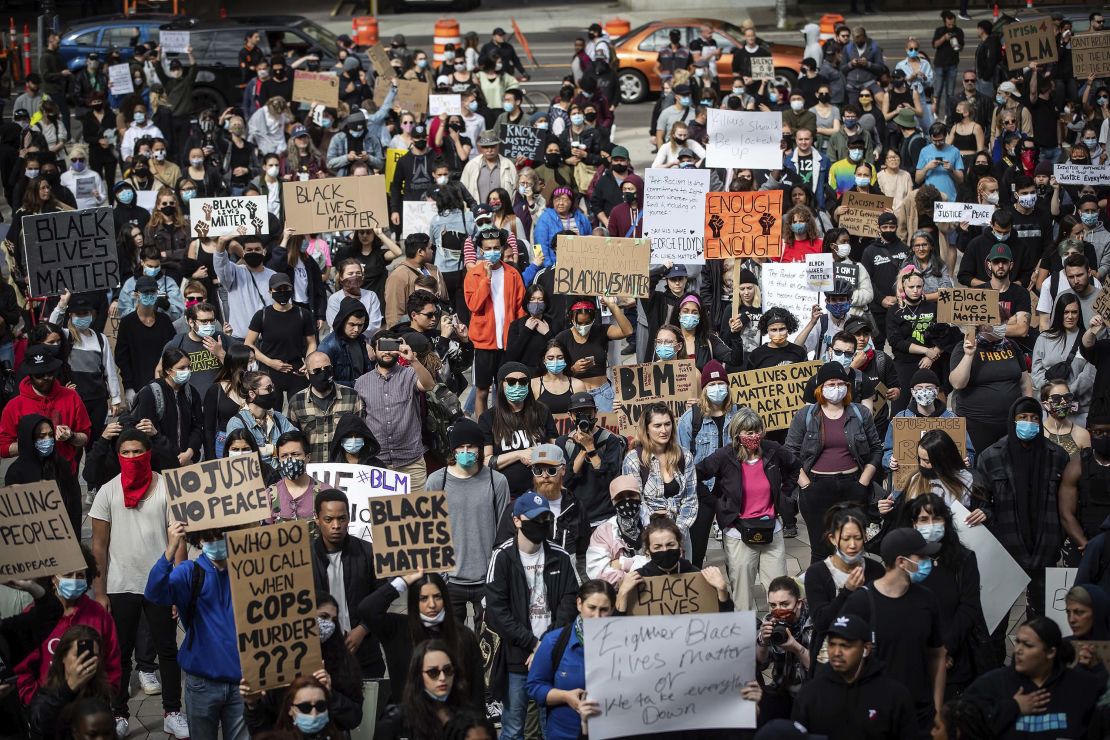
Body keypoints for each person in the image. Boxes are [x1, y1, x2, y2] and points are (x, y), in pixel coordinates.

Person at [88, 429, 187, 738]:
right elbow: (99, 546)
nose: (132, 457)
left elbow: (180, 541)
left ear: (148, 453)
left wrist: (179, 587)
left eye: (137, 452)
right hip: (120, 585)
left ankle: (172, 711)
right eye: (126, 453)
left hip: (160, 584)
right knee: (120, 654)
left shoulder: (167, 487)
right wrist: (100, 591)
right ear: (119, 456)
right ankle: (118, 714)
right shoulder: (107, 491)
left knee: (167, 652)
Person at [484, 492, 579, 740]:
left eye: (546, 517)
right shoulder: (502, 557)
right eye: (536, 518)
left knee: (552, 727)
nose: (542, 523)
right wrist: (533, 644)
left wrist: (546, 646)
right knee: (514, 726)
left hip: (554, 656)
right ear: (517, 520)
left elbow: (569, 604)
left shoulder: (560, 555)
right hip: (518, 656)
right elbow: (497, 611)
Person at [145, 522, 247, 740]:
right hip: (203, 683)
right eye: (210, 538)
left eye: (222, 535)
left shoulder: (247, 571)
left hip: (243, 683)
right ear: (199, 540)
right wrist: (170, 550)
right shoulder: (189, 572)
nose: (217, 542)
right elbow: (154, 592)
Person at [841, 527, 946, 734]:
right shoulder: (861, 603)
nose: (928, 562)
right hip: (875, 715)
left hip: (919, 714)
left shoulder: (927, 599)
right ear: (901, 562)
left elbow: (938, 655)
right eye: (921, 556)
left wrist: (937, 709)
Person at [696, 407, 801, 610]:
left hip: (772, 530)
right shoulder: (724, 456)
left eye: (757, 431)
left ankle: (779, 633)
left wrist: (785, 495)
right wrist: (716, 503)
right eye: (749, 432)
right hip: (738, 533)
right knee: (742, 593)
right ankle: (746, 635)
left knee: (779, 589)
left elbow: (794, 466)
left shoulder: (772, 450)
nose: (754, 436)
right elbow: (696, 475)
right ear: (737, 434)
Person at [975, 397, 1069, 617]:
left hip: (1046, 549)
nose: (1029, 422)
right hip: (1005, 550)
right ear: (1012, 420)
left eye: (1034, 418)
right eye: (1023, 418)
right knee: (997, 620)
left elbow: (1066, 505)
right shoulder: (990, 456)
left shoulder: (1057, 457)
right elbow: (981, 504)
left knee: (1047, 619)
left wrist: (1057, 537)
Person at [785, 361, 882, 563]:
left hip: (852, 486)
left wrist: (863, 483)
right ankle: (822, 592)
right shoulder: (806, 415)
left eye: (841, 384)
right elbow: (790, 452)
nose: (836, 388)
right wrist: (806, 485)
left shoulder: (859, 413)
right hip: (816, 487)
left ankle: (852, 592)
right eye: (831, 384)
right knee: (821, 550)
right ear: (820, 388)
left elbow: (876, 449)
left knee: (852, 547)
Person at [358, 570, 484, 707]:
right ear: (413, 601)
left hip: (453, 720)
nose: (432, 604)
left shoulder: (463, 636)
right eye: (423, 598)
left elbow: (476, 691)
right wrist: (404, 581)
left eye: (437, 597)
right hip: (409, 721)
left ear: (445, 599)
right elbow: (367, 609)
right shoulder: (397, 629)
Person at [963, 617, 1104, 738]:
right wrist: (1012, 707)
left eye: (1028, 645)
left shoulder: (1083, 686)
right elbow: (964, 724)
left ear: (1050, 652)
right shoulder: (992, 684)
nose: (1018, 650)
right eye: (1018, 642)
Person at [426, 418, 509, 624]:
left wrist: (498, 574)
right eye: (460, 447)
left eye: (470, 446)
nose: (465, 451)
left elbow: (504, 530)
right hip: (450, 582)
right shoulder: (437, 481)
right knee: (453, 647)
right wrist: (438, 576)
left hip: (488, 580)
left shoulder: (497, 481)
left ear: (480, 449)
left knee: (489, 646)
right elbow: (428, 531)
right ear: (453, 450)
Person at [791, 612, 918, 739]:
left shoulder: (893, 695)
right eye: (832, 644)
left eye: (845, 646)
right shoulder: (810, 693)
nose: (836, 652)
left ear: (866, 649)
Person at [310, 488, 385, 680]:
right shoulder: (304, 559)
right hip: (319, 658)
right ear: (316, 519)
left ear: (349, 518)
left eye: (342, 519)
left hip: (365, 654)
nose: (336, 525)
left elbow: (382, 597)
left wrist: (363, 629)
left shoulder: (368, 552)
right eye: (328, 520)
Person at [526, 579, 614, 740]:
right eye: (592, 608)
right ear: (579, 604)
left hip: (613, 732)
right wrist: (566, 696)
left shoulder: (624, 643)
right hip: (565, 734)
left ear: (612, 609)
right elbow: (534, 687)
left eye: (604, 610)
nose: (597, 616)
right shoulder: (554, 642)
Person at [354, 330, 437, 490]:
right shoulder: (362, 383)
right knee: (381, 514)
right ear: (374, 349)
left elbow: (429, 385)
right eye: (382, 346)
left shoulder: (410, 374)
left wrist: (413, 360)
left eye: (391, 346)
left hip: (411, 462)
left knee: (416, 514)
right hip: (378, 462)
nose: (386, 351)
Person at [0, 344, 91, 477]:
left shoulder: (71, 397)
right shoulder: (14, 406)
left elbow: (85, 437)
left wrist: (71, 436)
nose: (46, 378)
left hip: (65, 473)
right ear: (30, 375)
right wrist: (29, 444)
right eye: (39, 375)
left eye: (50, 372)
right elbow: (3, 447)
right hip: (31, 477)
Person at [614, 514, 733, 612]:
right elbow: (618, 627)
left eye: (670, 545)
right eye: (657, 547)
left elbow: (725, 619)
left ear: (680, 546)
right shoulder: (637, 579)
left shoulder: (697, 576)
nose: (665, 550)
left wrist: (722, 590)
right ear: (648, 551)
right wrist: (622, 593)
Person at [950, 313, 1032, 454]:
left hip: (1011, 422)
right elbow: (957, 384)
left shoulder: (1011, 345)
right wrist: (969, 355)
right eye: (997, 323)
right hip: (976, 424)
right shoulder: (963, 347)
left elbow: (1025, 382)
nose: (1002, 327)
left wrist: (1028, 412)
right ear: (983, 325)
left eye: (1004, 322)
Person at [622, 403, 698, 555]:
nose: (664, 430)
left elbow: (690, 498)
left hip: (680, 535)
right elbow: (636, 503)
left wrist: (678, 531)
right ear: (647, 429)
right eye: (657, 425)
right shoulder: (634, 460)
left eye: (667, 424)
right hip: (649, 538)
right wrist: (656, 526)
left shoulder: (684, 456)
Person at [557, 391, 628, 554]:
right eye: (578, 413)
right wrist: (582, 449)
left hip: (604, 515)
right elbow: (565, 481)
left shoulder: (610, 440)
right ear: (570, 415)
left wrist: (591, 448)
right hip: (576, 518)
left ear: (595, 412)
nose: (584, 416)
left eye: (588, 412)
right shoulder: (563, 442)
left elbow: (610, 479)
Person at [465, 228, 526, 416]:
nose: (492, 251)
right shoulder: (474, 274)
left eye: (496, 247)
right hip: (484, 342)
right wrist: (487, 279)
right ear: (481, 251)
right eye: (488, 248)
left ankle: (504, 426)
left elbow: (520, 307)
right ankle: (483, 430)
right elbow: (474, 305)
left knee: (505, 389)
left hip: (508, 341)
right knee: (482, 390)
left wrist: (519, 336)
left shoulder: (513, 274)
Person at [480, 362, 558, 499]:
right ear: (501, 384)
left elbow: (555, 448)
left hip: (542, 491)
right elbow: (486, 461)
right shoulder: (488, 417)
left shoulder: (542, 411)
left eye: (523, 381)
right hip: (507, 495)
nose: (517, 386)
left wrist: (540, 455)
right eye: (511, 381)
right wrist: (518, 454)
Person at [24, 625, 117, 740]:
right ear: (63, 656)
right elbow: (39, 725)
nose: (85, 661)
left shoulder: (100, 692)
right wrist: (69, 687)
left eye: (93, 656)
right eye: (79, 655)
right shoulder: (47, 695)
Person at [374, 640, 474, 740]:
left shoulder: (467, 720)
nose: (442, 677)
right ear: (418, 676)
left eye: (448, 670)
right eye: (433, 672)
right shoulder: (396, 721)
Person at [4, 414, 85, 537]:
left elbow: (73, 503)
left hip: (63, 533)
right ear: (29, 439)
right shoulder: (15, 473)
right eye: (41, 436)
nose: (48, 440)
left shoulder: (61, 464)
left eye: (51, 435)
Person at [553, 297, 632, 412]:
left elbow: (627, 331)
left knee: (607, 428)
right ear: (571, 319)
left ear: (593, 319)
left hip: (603, 393)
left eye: (587, 322)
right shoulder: (562, 338)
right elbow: (554, 370)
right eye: (579, 323)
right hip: (577, 396)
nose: (583, 326)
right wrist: (573, 369)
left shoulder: (601, 331)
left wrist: (612, 305)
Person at [130, 348, 204, 468]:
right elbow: (148, 433)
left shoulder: (191, 392)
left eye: (189, 367)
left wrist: (189, 453)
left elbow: (198, 426)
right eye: (181, 368)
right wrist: (176, 455)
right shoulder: (150, 393)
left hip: (188, 461)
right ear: (168, 370)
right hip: (160, 463)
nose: (187, 371)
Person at [286, 352, 365, 462]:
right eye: (317, 371)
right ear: (307, 374)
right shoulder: (296, 402)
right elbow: (292, 440)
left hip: (343, 468)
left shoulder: (351, 396)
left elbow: (361, 433)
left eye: (327, 369)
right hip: (312, 470)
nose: (323, 374)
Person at [1060, 399, 1110, 571]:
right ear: (1090, 432)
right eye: (1099, 432)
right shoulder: (1078, 465)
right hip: (1084, 543)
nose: (1104, 437)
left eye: (1109, 432)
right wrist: (1087, 546)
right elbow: (1067, 513)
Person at [886, 267, 942, 414]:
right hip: (904, 363)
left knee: (933, 408)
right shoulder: (895, 310)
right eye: (911, 287)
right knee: (899, 408)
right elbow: (895, 341)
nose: (915, 290)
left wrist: (934, 353)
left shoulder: (932, 307)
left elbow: (946, 334)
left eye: (919, 286)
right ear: (903, 287)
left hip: (931, 363)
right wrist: (926, 350)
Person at [585, 475, 649, 585]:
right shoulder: (603, 533)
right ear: (613, 502)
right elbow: (597, 572)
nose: (627, 501)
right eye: (620, 498)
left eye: (631, 495)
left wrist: (623, 563)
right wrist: (629, 580)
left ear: (640, 496)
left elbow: (667, 558)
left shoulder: (656, 524)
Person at [224, 371, 296, 468]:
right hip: (255, 477)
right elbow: (240, 456)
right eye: (268, 388)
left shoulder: (278, 417)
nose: (273, 392)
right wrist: (275, 449)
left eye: (273, 387)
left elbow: (295, 440)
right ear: (252, 394)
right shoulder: (237, 423)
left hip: (280, 477)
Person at [211, 235, 275, 341]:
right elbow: (221, 263)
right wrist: (221, 242)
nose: (253, 252)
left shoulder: (274, 276)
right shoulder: (234, 273)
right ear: (243, 253)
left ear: (264, 251)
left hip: (268, 340)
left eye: (257, 249)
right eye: (249, 250)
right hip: (241, 341)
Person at [265, 431, 327, 526]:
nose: (289, 460)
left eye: (295, 454)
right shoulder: (269, 495)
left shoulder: (325, 492)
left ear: (308, 457)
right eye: (284, 456)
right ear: (279, 460)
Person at [320, 298, 371, 387]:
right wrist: (356, 384)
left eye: (360, 325)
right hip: (342, 397)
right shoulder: (328, 346)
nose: (356, 330)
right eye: (352, 324)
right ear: (343, 322)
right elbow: (323, 381)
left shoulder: (361, 341)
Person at [1040, 380, 1090, 458]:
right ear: (1045, 403)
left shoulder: (1083, 435)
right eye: (1056, 398)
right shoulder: (1037, 433)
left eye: (1067, 397)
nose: (1063, 402)